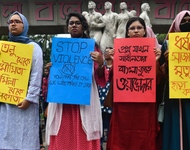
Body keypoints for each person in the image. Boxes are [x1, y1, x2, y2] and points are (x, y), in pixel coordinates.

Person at [46, 12, 107, 150]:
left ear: (83, 26)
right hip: (63, 101)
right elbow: (57, 76)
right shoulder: (61, 47)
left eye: (77, 23)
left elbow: (100, 77)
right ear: (67, 27)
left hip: (85, 99)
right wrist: (51, 69)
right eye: (71, 23)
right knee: (63, 131)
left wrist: (101, 62)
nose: (74, 25)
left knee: (84, 132)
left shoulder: (93, 47)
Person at [106, 17, 162, 150]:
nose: (136, 31)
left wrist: (156, 61)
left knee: (145, 136)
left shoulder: (153, 51)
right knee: (122, 136)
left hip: (145, 105)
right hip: (124, 105)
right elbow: (112, 78)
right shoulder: (120, 51)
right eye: (132, 28)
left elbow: (158, 80)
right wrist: (114, 61)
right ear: (127, 33)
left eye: (139, 28)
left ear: (144, 31)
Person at [0, 11, 43, 149]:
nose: (13, 24)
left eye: (17, 21)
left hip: (24, 104)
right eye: (11, 22)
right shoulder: (4, 48)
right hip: (5, 103)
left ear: (24, 25)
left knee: (25, 141)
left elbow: (36, 75)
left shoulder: (34, 48)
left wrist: (29, 99)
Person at [160, 10, 190, 150]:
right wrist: (167, 60)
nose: (187, 23)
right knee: (175, 124)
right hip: (175, 94)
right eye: (183, 21)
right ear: (176, 23)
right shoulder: (167, 45)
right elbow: (161, 75)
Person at [97, 47, 114, 150]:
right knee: (100, 125)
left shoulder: (117, 65)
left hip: (112, 100)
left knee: (111, 124)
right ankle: (99, 145)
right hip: (100, 100)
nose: (107, 53)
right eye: (105, 51)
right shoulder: (100, 67)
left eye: (110, 51)